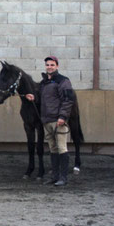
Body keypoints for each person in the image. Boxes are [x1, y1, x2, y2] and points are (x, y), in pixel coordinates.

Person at [25, 56, 75, 186]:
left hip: (58, 121)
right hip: (46, 121)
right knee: (53, 148)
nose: (49, 67)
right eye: (47, 65)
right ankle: (55, 176)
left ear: (57, 66)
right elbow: (41, 99)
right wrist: (33, 98)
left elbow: (68, 100)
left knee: (62, 148)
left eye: (52, 65)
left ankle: (63, 178)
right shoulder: (43, 83)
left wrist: (63, 117)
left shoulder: (63, 81)